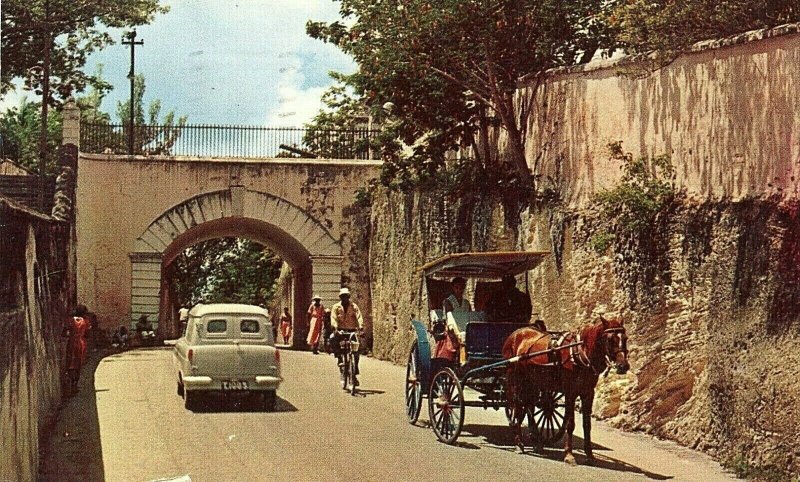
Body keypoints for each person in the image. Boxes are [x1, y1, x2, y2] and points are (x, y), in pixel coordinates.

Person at [330, 287, 364, 388]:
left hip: (351, 331)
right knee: (332, 339)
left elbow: (359, 316)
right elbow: (333, 318)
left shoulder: (353, 306)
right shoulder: (336, 307)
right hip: (340, 331)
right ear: (340, 297)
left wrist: (361, 327)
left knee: (356, 351)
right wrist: (336, 328)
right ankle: (339, 358)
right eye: (343, 296)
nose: (344, 298)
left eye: (346, 296)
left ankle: (354, 372)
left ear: (348, 297)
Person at [433, 277, 471, 363]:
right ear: (453, 288)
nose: (459, 290)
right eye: (457, 287)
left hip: (465, 327)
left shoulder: (466, 303)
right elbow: (449, 317)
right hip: (452, 328)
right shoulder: (448, 301)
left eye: (461, 288)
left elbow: (469, 315)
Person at [63, 304, 91, 394]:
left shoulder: (71, 320)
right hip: (81, 343)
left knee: (70, 362)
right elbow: (87, 334)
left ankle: (69, 384)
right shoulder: (85, 321)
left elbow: (64, 332)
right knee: (78, 364)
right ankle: (75, 385)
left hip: (71, 342)